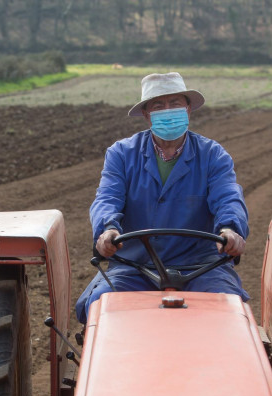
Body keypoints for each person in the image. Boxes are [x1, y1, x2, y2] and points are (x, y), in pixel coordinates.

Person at [75, 72, 249, 324]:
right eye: (158, 106)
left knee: (229, 308)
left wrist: (230, 228)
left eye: (175, 104)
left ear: (188, 109)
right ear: (146, 114)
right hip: (135, 265)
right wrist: (107, 229)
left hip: (200, 266)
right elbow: (107, 197)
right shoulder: (122, 154)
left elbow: (228, 196)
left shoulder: (213, 155)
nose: (168, 111)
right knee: (102, 303)